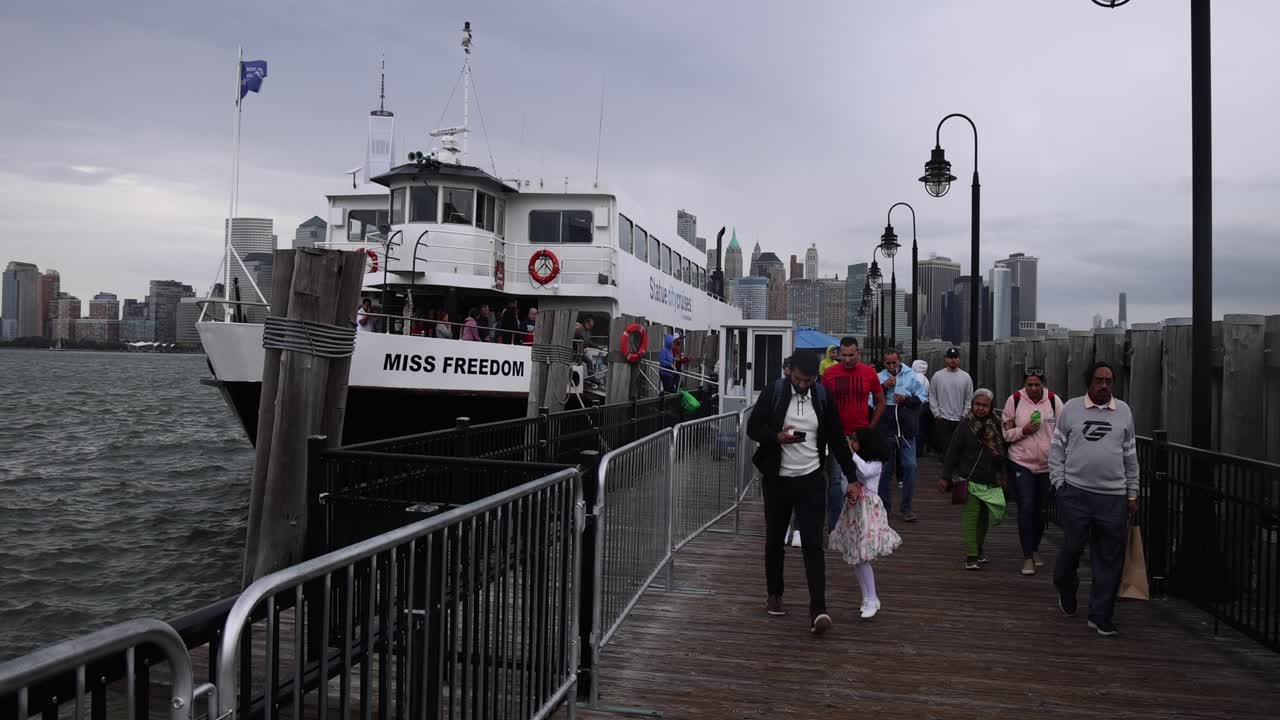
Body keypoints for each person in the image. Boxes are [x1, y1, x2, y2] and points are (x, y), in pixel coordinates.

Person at [747, 351, 859, 635]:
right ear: (789, 372)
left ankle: (818, 609)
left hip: (810, 479)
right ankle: (775, 593)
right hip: (778, 480)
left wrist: (852, 478)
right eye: (798, 379)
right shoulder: (774, 392)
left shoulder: (822, 396)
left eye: (809, 380)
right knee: (774, 540)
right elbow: (753, 428)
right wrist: (777, 437)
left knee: (813, 544)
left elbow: (836, 437)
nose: (803, 385)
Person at [1050, 361, 1138, 638]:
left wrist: (1132, 491)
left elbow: (1130, 455)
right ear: (1089, 383)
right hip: (1075, 493)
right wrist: (1059, 484)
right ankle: (1065, 583)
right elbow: (1057, 450)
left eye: (1109, 381)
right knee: (1072, 548)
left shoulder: (1123, 411)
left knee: (1109, 559)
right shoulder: (1071, 409)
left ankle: (1100, 615)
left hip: (1113, 497)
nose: (1104, 386)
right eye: (1099, 380)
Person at [828, 427, 901, 619]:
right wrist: (849, 492)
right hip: (854, 510)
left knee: (863, 557)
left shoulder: (875, 463)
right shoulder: (856, 462)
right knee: (856, 558)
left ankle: (871, 598)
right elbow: (846, 479)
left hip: (868, 511)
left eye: (855, 440)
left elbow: (865, 472)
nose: (852, 443)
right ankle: (868, 597)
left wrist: (850, 454)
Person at [1001, 367, 1065, 576]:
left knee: (1041, 511)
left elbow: (1065, 433)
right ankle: (1027, 555)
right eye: (1030, 384)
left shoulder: (1055, 402)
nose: (1034, 388)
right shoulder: (1015, 400)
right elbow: (1005, 433)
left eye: (1037, 384)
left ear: (1044, 384)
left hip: (1047, 465)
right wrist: (1023, 431)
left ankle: (1035, 547)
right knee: (1026, 507)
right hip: (1021, 462)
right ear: (1024, 384)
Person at [821, 337, 886, 532]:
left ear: (858, 353)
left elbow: (881, 402)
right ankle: (835, 527)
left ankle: (862, 525)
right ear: (839, 354)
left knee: (863, 480)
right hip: (837, 436)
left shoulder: (869, 373)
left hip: (861, 437)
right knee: (835, 481)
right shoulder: (830, 373)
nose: (847, 359)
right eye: (844, 355)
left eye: (851, 355)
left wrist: (870, 427)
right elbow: (822, 403)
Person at [939, 389, 1007, 569]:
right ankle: (971, 556)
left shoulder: (998, 425)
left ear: (991, 407)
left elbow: (1005, 451)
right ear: (972, 405)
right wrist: (946, 477)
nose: (981, 408)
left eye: (985, 405)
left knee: (984, 518)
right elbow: (952, 452)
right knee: (971, 517)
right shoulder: (965, 425)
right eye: (977, 404)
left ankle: (978, 548)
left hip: (991, 479)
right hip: (969, 479)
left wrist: (997, 455)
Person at [876, 349, 928, 522]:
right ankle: (885, 507)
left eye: (894, 362)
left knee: (910, 466)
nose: (891, 366)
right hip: (886, 430)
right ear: (883, 363)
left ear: (899, 361)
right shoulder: (879, 377)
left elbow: (921, 397)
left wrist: (906, 399)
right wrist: (884, 387)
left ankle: (906, 507)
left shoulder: (911, 376)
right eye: (888, 363)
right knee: (885, 471)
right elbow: (871, 400)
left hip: (906, 430)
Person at [931, 347, 973, 459]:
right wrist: (937, 414)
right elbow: (932, 396)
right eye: (950, 357)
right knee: (945, 448)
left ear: (959, 359)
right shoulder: (937, 376)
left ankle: (956, 471)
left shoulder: (966, 377)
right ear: (946, 359)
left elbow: (969, 398)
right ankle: (946, 473)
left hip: (960, 419)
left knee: (959, 448)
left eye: (955, 357)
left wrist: (964, 415)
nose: (953, 360)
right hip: (943, 418)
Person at [912, 359, 932, 459]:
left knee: (916, 429)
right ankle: (919, 450)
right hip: (925, 405)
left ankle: (916, 451)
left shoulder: (915, 377)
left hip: (917, 406)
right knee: (922, 429)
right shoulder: (925, 379)